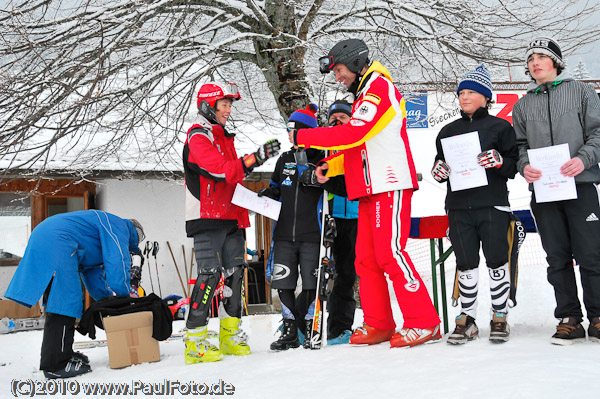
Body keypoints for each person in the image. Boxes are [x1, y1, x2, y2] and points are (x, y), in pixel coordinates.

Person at [292, 38, 441, 348]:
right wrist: (329, 169)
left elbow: (354, 133)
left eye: (340, 70)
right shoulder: (363, 94)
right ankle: (379, 323)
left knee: (390, 253)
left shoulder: (378, 87)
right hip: (369, 189)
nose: (337, 77)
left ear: (356, 63)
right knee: (366, 260)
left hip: (389, 184)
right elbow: (359, 147)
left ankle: (424, 322)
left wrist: (305, 136)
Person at [183, 82, 281, 363]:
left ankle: (229, 335)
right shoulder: (198, 137)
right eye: (223, 105)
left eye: (229, 105)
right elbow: (222, 172)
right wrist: (255, 158)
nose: (228, 110)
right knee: (210, 275)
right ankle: (195, 342)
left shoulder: (224, 136)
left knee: (236, 275)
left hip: (231, 217)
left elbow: (233, 180)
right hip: (206, 217)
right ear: (207, 107)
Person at [512, 37, 600, 345]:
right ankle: (569, 318)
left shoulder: (581, 92)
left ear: (556, 62)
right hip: (546, 192)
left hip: (581, 186)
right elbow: (520, 146)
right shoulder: (522, 105)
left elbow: (598, 132)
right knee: (557, 256)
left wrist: (583, 158)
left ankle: (599, 316)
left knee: (591, 254)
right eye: (531, 58)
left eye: (542, 56)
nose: (535, 62)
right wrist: (525, 166)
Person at [431, 65, 519, 344]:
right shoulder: (447, 131)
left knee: (496, 260)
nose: (464, 97)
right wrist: (438, 171)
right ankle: (467, 319)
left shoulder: (501, 127)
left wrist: (500, 161)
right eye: (461, 93)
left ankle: (499, 315)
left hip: (492, 205)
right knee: (465, 263)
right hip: (457, 207)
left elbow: (514, 165)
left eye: (471, 92)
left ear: (485, 97)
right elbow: (439, 163)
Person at [4, 210, 145, 379]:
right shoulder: (120, 226)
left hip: (51, 237)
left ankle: (62, 355)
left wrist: (107, 300)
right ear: (134, 234)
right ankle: (58, 365)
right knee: (66, 301)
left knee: (60, 301)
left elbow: (93, 276)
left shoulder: (95, 237)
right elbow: (118, 262)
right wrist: (125, 297)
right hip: (58, 241)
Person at [258, 104, 327, 350]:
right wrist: (271, 192)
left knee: (311, 284)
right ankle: (289, 327)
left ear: (307, 131)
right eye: (289, 129)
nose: (289, 134)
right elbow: (277, 186)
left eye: (293, 129)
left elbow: (332, 189)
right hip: (284, 234)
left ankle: (309, 325)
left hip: (312, 234)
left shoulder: (323, 158)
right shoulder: (285, 158)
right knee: (283, 283)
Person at [322, 99, 358, 345]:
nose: (336, 122)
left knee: (348, 273)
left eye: (342, 118)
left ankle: (340, 328)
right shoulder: (323, 146)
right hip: (329, 216)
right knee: (318, 273)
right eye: (332, 118)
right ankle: (301, 323)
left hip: (356, 216)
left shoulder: (359, 142)